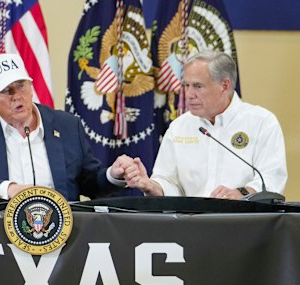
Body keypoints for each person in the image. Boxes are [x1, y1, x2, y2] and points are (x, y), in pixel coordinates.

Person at [0, 53, 130, 201]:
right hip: (0, 233)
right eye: (6, 91)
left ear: (31, 87)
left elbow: (90, 182)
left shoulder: (66, 125)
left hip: (64, 233)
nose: (17, 96)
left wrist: (113, 175)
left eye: (21, 86)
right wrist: (9, 189)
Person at [123, 50, 287, 199]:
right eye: (186, 85)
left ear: (224, 85)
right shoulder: (179, 126)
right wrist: (150, 185)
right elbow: (168, 181)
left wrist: (240, 193)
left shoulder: (261, 122)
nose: (189, 94)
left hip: (243, 222)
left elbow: (271, 179)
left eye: (198, 86)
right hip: (190, 224)